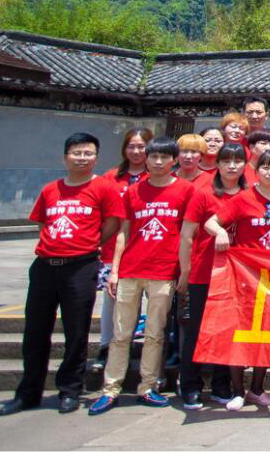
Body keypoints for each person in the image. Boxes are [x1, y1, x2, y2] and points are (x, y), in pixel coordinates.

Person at [1, 133, 123, 416]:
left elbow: (113, 222)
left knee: (76, 332)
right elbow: (43, 223)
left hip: (80, 267)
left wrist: (90, 244)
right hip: (45, 266)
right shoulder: (50, 189)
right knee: (35, 331)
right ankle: (28, 392)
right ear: (65, 157)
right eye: (76, 153)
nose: (82, 158)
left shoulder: (103, 188)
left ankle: (70, 390)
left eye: (88, 153)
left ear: (96, 158)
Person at [89, 136, 197, 415]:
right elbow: (123, 232)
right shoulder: (133, 191)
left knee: (155, 332)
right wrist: (114, 270)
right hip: (130, 269)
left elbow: (188, 234)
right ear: (145, 160)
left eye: (164, 157)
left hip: (163, 270)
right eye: (153, 157)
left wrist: (184, 271)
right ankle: (110, 388)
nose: (158, 162)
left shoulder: (185, 190)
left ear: (174, 161)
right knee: (121, 333)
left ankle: (147, 387)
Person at [206, 149, 270, 407]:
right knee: (240, 332)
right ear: (257, 170)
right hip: (244, 276)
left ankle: (257, 388)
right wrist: (221, 232)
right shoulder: (243, 198)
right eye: (266, 167)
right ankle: (237, 391)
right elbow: (211, 222)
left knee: (266, 333)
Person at [177, 142, 248, 411]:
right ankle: (190, 386)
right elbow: (187, 235)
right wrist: (185, 271)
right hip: (204, 272)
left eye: (237, 161)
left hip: (237, 276)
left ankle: (221, 385)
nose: (232, 166)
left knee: (228, 332)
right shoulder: (203, 194)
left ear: (245, 165)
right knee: (196, 331)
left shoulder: (249, 194)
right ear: (216, 164)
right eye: (226, 161)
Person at [91, 128, 152, 373]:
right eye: (131, 146)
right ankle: (106, 346)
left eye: (141, 146)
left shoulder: (158, 175)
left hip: (148, 248)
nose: (136, 151)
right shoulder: (111, 177)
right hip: (113, 248)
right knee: (112, 300)